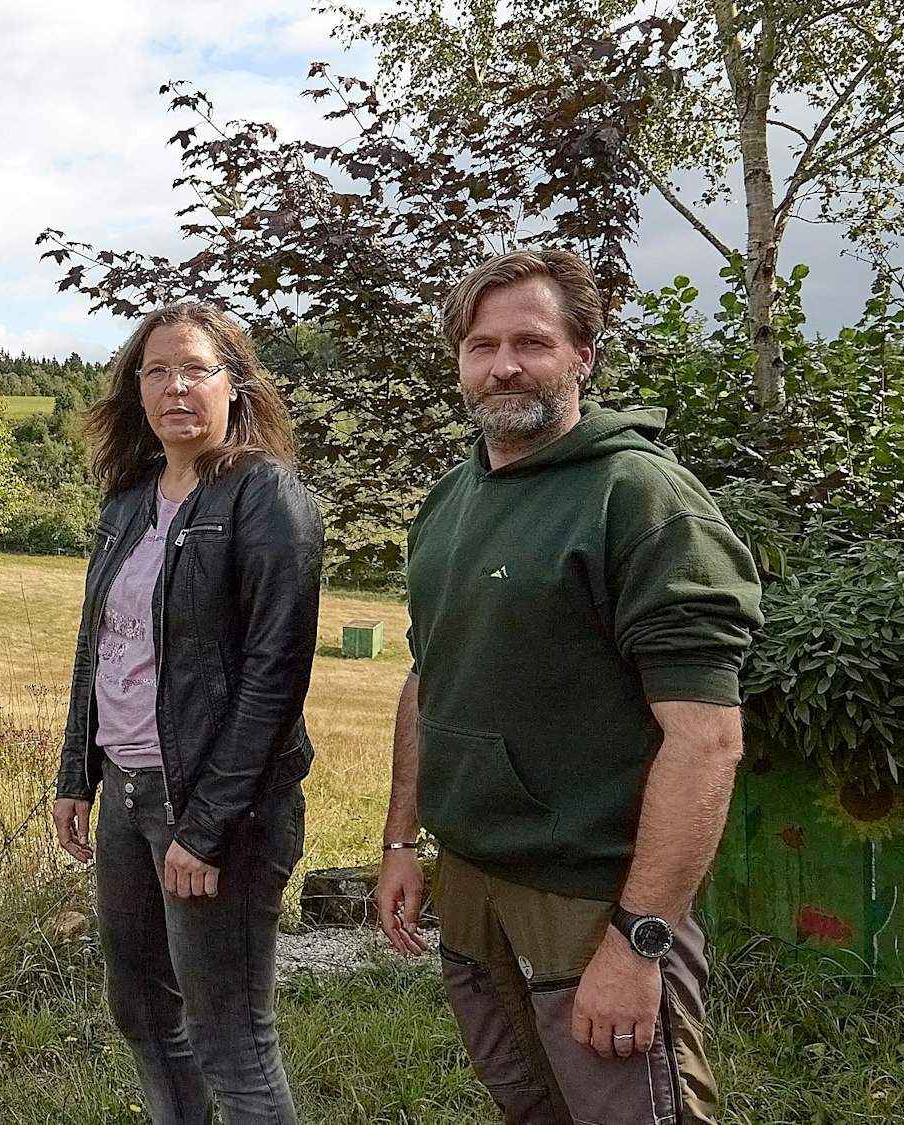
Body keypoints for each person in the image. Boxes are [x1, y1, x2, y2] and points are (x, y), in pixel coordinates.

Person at [374, 250, 763, 1125]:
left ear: (584, 354)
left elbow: (707, 739)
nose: (504, 363)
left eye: (532, 341)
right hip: (474, 885)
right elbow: (429, 673)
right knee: (528, 1104)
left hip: (593, 903)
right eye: (481, 345)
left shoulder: (642, 499)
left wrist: (640, 939)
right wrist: (403, 839)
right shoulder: (448, 502)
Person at [52, 302, 322, 1125]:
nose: (176, 387)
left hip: (218, 808)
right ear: (137, 389)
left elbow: (276, 674)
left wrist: (206, 826)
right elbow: (97, 643)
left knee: (230, 1036)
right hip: (130, 796)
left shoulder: (265, 496)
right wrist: (76, 772)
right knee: (140, 1010)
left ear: (234, 386)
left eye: (196, 369)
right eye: (157, 370)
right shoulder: (130, 501)